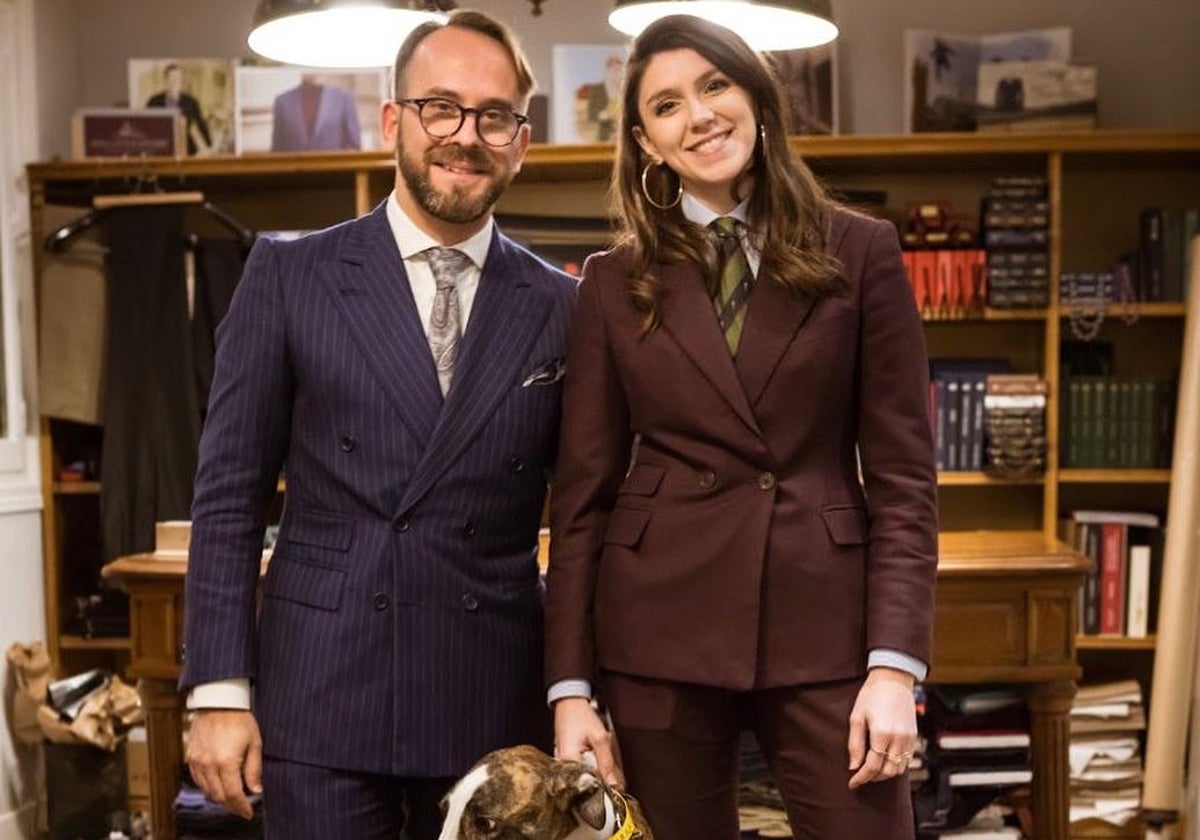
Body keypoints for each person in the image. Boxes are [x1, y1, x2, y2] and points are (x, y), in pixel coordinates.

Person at [180, 10, 576, 839]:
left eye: (494, 115)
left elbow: (583, 524)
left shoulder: (563, 305)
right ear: (395, 120)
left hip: (492, 697)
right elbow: (226, 499)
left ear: (521, 142)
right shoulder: (290, 274)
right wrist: (218, 690)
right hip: (321, 695)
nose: (466, 136)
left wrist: (574, 692)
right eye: (442, 107)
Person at [544, 14, 938, 840]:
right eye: (667, 105)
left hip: (824, 629)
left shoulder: (861, 251)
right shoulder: (613, 283)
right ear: (646, 142)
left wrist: (895, 667)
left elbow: (904, 482)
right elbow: (581, 499)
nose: (700, 116)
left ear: (757, 98)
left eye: (715, 85)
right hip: (655, 631)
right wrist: (571, 689)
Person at [270, 74, 362, 152]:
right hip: (294, 171)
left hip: (335, 170)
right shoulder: (282, 101)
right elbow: (277, 148)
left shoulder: (343, 99)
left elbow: (354, 146)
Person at [146, 62, 212, 155]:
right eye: (172, 78)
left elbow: (201, 123)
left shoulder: (191, 102)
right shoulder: (154, 102)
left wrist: (209, 145)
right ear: (165, 80)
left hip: (187, 149)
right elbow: (147, 126)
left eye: (178, 78)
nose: (175, 81)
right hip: (162, 149)